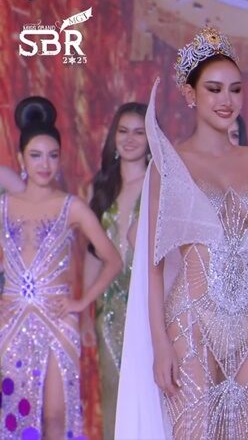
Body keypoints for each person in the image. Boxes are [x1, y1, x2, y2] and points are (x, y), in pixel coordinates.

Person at [114, 26, 248, 439]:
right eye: (214, 89)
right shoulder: (169, 164)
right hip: (190, 316)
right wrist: (159, 342)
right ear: (190, 94)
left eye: (235, 90)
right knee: (193, 431)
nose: (226, 100)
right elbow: (154, 262)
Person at [0, 96, 122, 439]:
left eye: (53, 155)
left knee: (56, 415)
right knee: (17, 414)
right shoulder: (4, 205)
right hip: (11, 320)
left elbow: (112, 260)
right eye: (36, 155)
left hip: (57, 319)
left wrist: (81, 303)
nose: (45, 163)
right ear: (22, 159)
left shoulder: (72, 206)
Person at [83, 102, 149, 439]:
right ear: (114, 137)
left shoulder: (157, 184)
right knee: (113, 391)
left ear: (150, 139)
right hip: (108, 307)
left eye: (139, 132)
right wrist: (85, 312)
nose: (130, 139)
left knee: (147, 395)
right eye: (123, 131)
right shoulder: (101, 187)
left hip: (147, 305)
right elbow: (93, 256)